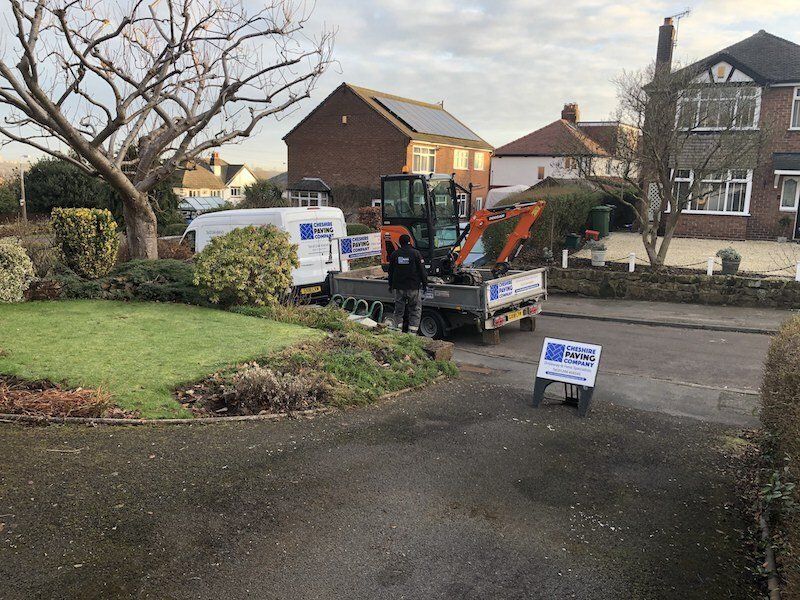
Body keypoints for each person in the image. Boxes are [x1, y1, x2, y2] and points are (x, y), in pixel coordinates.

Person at [387, 234, 428, 334]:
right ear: (410, 241)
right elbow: (422, 271)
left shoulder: (395, 254)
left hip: (399, 288)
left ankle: (397, 331)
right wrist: (425, 284)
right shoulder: (416, 253)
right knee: (414, 311)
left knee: (398, 312)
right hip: (413, 288)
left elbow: (390, 271)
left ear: (400, 243)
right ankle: (412, 334)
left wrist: (390, 285)